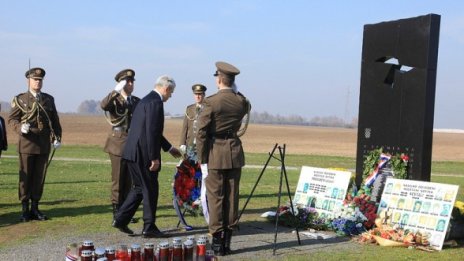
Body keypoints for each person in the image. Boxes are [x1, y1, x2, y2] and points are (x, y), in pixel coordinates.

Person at [112, 75, 182, 238]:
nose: (170, 96)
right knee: (150, 188)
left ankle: (121, 219)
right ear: (166, 89)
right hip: (143, 154)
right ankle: (149, 226)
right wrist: (154, 158)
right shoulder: (155, 103)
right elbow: (151, 132)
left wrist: (169, 148)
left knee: (138, 188)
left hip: (131, 152)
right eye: (171, 93)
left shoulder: (144, 100)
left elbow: (152, 131)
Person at [196, 61, 251, 256]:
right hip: (234, 153)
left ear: (219, 79)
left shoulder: (211, 102)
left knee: (216, 198)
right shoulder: (241, 101)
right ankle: (227, 242)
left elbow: (201, 132)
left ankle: (218, 243)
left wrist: (202, 158)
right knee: (231, 196)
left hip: (214, 154)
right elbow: (243, 108)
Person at [8, 67, 62, 222]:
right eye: (35, 80)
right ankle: (25, 209)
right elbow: (12, 120)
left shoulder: (48, 99)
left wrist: (57, 138)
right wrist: (20, 128)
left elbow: (55, 122)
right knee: (26, 178)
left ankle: (35, 208)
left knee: (39, 177)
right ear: (28, 81)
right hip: (27, 143)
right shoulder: (21, 99)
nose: (38, 82)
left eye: (40, 80)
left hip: (44, 144)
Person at [101, 69, 140, 222]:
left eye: (132, 82)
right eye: (127, 82)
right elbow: (104, 105)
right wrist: (115, 91)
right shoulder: (115, 100)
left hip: (132, 144)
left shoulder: (136, 101)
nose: (130, 84)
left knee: (129, 180)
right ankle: (116, 213)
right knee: (118, 179)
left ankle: (125, 213)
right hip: (117, 143)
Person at [179, 84, 209, 223]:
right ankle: (191, 201)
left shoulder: (208, 108)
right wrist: (182, 143)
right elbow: (185, 127)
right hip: (190, 147)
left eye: (201, 94)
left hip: (203, 148)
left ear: (204, 95)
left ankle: (202, 202)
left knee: (202, 175)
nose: (198, 96)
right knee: (191, 174)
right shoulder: (189, 109)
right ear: (194, 95)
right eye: (196, 94)